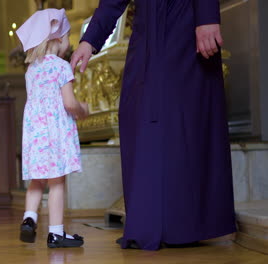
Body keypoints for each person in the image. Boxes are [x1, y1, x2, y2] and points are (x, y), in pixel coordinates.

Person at [70, 0, 237, 250]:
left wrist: (206, 17)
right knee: (139, 116)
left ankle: (185, 224)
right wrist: (89, 40)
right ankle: (150, 221)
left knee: (182, 120)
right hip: (147, 32)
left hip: (185, 21)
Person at [16, 8, 89, 248]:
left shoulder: (31, 70)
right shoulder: (60, 66)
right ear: (58, 39)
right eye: (69, 36)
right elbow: (68, 103)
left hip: (35, 134)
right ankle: (56, 233)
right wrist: (82, 109)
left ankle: (29, 217)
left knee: (37, 180)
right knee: (57, 182)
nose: (69, 43)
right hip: (55, 133)